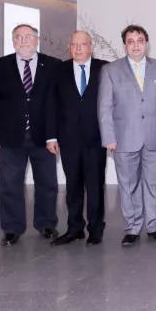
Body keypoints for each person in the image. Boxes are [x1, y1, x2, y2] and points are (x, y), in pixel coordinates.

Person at [0, 23, 60, 246]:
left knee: (47, 183)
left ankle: (46, 224)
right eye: (18, 37)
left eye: (28, 36)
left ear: (37, 40)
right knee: (10, 184)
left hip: (44, 137)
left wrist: (55, 135)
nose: (23, 40)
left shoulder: (53, 65)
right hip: (9, 137)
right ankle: (11, 229)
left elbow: (57, 103)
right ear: (13, 41)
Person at [97, 25, 156, 247]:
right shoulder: (110, 70)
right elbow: (104, 107)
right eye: (130, 41)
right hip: (123, 138)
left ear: (146, 43)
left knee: (155, 184)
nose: (135, 45)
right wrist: (108, 137)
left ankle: (155, 226)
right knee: (128, 185)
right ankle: (132, 228)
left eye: (140, 40)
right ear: (125, 45)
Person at [51, 31, 108, 246]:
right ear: (70, 47)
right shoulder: (59, 70)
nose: (78, 48)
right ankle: (74, 228)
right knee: (73, 186)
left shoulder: (105, 69)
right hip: (68, 139)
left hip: (97, 138)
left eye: (82, 44)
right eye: (74, 44)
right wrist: (51, 136)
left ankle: (96, 229)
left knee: (95, 186)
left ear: (91, 47)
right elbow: (51, 104)